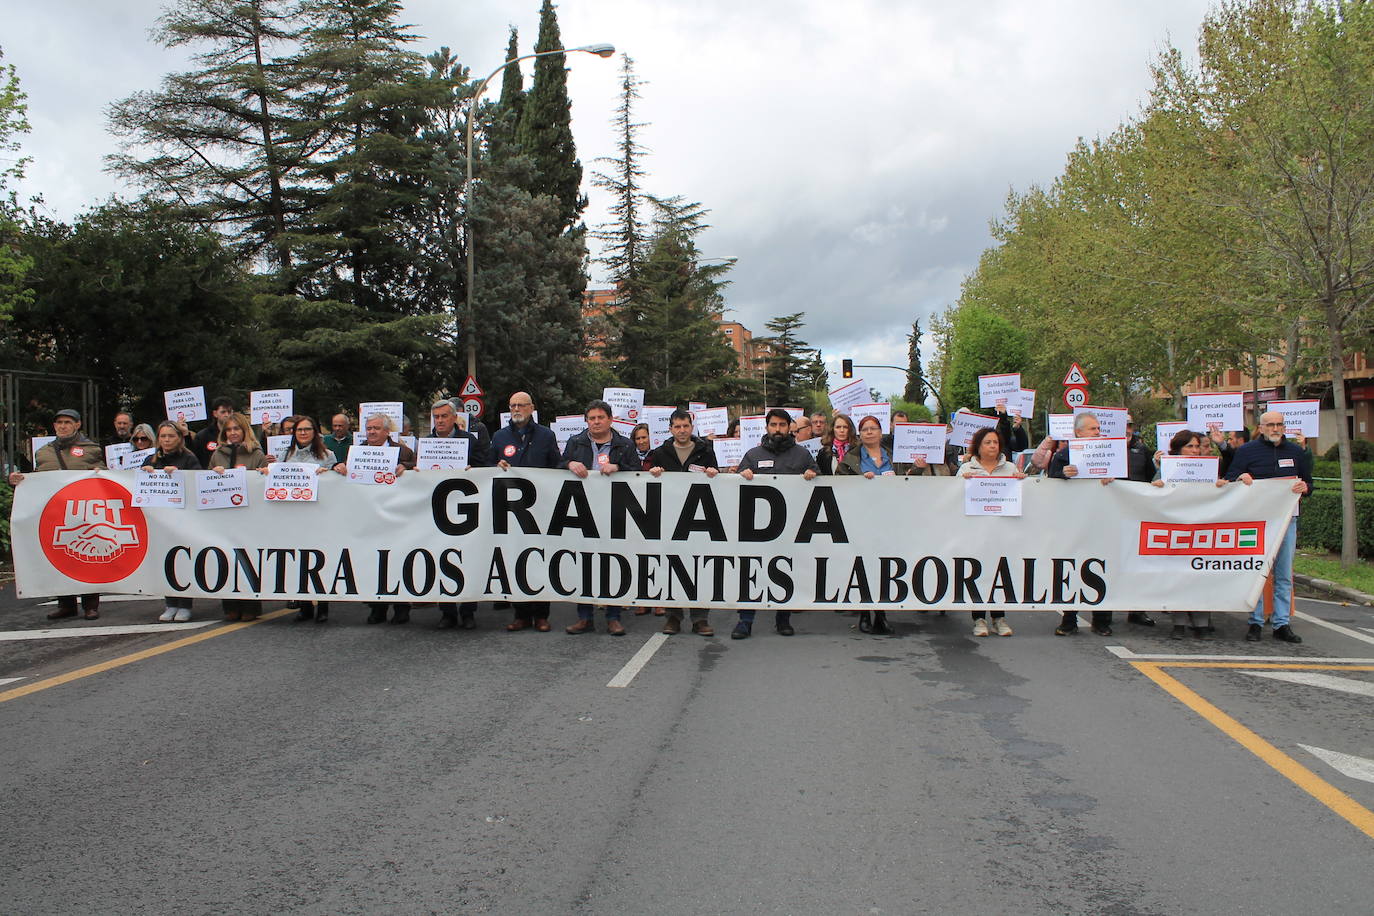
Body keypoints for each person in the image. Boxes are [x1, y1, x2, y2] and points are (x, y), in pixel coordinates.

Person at [8, 409, 107, 621]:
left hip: (82, 512)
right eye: (59, 422)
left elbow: (104, 476)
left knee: (86, 557)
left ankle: (90, 604)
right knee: (61, 557)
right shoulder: (44, 452)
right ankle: (66, 604)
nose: (63, 426)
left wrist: (101, 474)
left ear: (77, 424)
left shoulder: (91, 449)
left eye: (67, 422)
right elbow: (37, 479)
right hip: (55, 512)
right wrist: (20, 480)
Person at [1225, 410, 1312, 644]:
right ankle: (1255, 622)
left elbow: (1308, 481)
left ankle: (1281, 623)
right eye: (1270, 425)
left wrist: (1305, 487)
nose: (1275, 429)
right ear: (1261, 428)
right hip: (1257, 522)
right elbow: (1231, 477)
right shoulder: (1246, 451)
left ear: (1284, 427)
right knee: (1258, 572)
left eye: (1279, 424)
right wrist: (1241, 477)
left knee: (1284, 574)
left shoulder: (1295, 452)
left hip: (1287, 520)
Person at [733, 408, 819, 639]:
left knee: (786, 572)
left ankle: (783, 619)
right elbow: (733, 485)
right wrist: (743, 474)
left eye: (782, 425)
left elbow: (819, 481)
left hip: (791, 527)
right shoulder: (753, 455)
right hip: (757, 528)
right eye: (773, 425)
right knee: (751, 572)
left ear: (789, 427)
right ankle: (745, 621)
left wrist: (812, 474)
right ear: (767, 427)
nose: (778, 429)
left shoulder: (802, 455)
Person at [561, 399, 635, 635]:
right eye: (591, 418)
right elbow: (558, 464)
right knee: (583, 563)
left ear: (610, 420)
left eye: (600, 418)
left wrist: (618, 467)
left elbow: (638, 472)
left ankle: (613, 617)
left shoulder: (624, 445)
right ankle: (584, 617)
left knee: (612, 563)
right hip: (581, 511)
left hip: (614, 513)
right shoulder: (575, 442)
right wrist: (570, 463)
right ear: (586, 421)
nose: (596, 422)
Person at [492, 391, 563, 633]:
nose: (516, 409)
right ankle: (520, 614)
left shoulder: (545, 435)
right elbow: (487, 468)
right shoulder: (500, 436)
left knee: (540, 559)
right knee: (515, 559)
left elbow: (557, 466)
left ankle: (542, 615)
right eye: (512, 405)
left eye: (521, 405)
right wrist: (496, 466)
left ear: (532, 408)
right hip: (511, 511)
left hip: (541, 510)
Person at [1151, 429, 1228, 638]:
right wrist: (1156, 486)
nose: (1194, 451)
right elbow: (1151, 496)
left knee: (1201, 575)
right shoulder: (1166, 469)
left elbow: (1218, 494)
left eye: (1196, 447)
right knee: (1179, 576)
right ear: (1178, 449)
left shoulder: (1208, 469)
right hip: (1176, 530)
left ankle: (1202, 623)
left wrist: (1221, 487)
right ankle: (1179, 623)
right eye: (1189, 447)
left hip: (1201, 529)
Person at [648, 408, 719, 636]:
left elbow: (717, 476)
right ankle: (673, 618)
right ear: (670, 429)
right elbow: (648, 480)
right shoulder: (660, 453)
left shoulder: (705, 451)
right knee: (672, 566)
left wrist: (713, 473)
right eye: (677, 426)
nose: (681, 430)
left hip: (699, 518)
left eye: (685, 426)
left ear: (691, 427)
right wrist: (654, 472)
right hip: (670, 519)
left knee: (700, 567)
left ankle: (700, 619)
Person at [836, 414, 908, 634]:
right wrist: (858, 482)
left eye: (873, 428)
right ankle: (866, 612)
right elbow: (838, 485)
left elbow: (910, 482)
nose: (869, 432)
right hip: (863, 519)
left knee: (886, 566)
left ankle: (883, 613)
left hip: (891, 519)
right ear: (859, 434)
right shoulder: (850, 459)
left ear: (880, 432)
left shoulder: (895, 456)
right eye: (865, 429)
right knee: (865, 565)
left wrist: (918, 469)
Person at [1048, 412, 1117, 636]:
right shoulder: (1063, 455)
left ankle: (1102, 620)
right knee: (1072, 569)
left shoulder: (1111, 454)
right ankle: (1069, 620)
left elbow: (1128, 482)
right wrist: (1063, 474)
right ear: (1078, 432)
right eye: (1093, 429)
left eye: (1098, 429)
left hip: (1103, 521)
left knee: (1103, 568)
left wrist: (1113, 479)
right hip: (1073, 522)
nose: (1098, 432)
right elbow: (1050, 484)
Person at [958, 427, 1027, 637]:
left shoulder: (1010, 468)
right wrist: (962, 483)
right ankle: (978, 619)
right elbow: (951, 497)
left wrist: (1024, 482)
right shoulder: (966, 468)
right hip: (975, 532)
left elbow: (1024, 494)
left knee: (1000, 572)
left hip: (1002, 531)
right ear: (978, 445)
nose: (992, 446)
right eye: (987, 442)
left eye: (995, 442)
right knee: (977, 573)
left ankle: (999, 618)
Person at [427, 398, 484, 629]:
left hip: (465, 509)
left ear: (454, 418)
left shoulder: (469, 441)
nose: (440, 421)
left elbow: (484, 465)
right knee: (441, 558)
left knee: (467, 558)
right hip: (438, 510)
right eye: (436, 417)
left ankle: (468, 611)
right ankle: (447, 612)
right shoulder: (428, 442)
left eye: (444, 416)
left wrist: (474, 470)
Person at [142, 422, 201, 623]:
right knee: (165, 561)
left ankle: (185, 604)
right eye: (163, 436)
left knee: (182, 560)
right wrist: (147, 472)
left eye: (171, 436)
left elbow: (196, 484)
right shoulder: (151, 458)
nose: (166, 440)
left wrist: (177, 475)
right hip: (160, 519)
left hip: (183, 518)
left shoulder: (189, 458)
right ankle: (170, 603)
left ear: (179, 438)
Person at [184, 396, 235, 466]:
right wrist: (186, 436)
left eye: (229, 412)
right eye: (223, 412)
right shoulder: (203, 436)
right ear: (215, 414)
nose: (227, 415)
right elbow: (193, 457)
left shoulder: (238, 434)